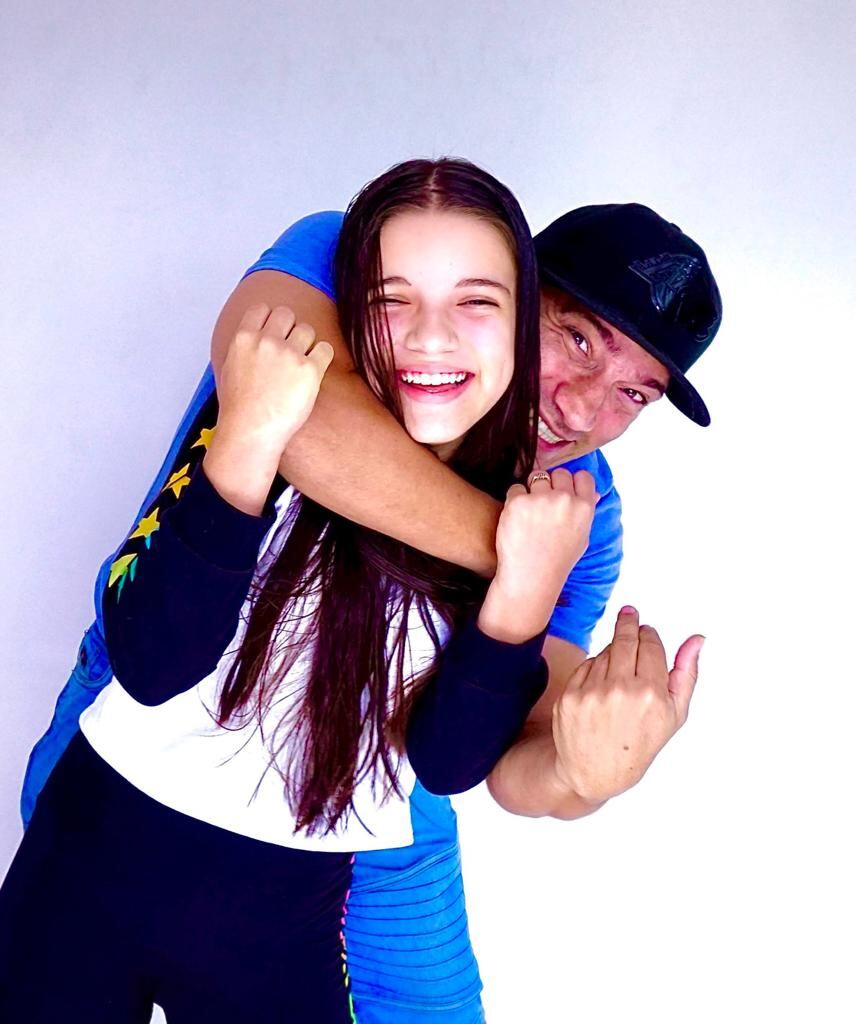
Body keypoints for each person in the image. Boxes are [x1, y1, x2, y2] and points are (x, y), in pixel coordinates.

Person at [17, 189, 722, 1022]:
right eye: (576, 340)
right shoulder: (362, 254)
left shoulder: (584, 511)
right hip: (146, 744)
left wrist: (585, 775)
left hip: (378, 804)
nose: (581, 408)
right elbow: (300, 420)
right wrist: (516, 557)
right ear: (512, 289)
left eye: (634, 394)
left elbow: (519, 731)